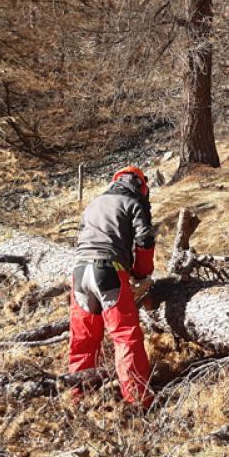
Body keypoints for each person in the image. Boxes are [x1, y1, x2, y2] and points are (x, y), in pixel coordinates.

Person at [70, 165, 157, 407]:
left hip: (79, 272)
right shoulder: (134, 203)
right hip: (108, 271)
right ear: (141, 186)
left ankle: (78, 397)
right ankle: (138, 400)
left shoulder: (94, 203)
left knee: (83, 339)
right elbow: (145, 239)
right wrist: (141, 273)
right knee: (125, 336)